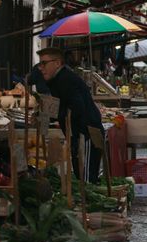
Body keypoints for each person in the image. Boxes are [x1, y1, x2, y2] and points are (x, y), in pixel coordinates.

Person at [37, 47, 103, 183]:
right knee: (81, 175)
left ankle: (88, 203)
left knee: (86, 179)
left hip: (86, 132)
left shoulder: (66, 79)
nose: (41, 68)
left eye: (44, 63)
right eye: (40, 64)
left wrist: (58, 116)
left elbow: (76, 107)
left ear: (57, 63)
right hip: (77, 134)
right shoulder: (57, 79)